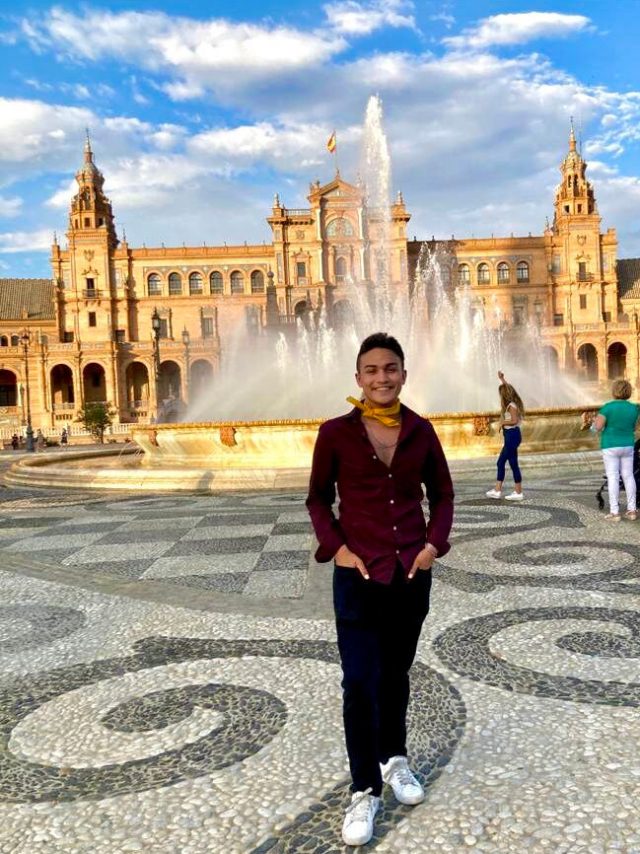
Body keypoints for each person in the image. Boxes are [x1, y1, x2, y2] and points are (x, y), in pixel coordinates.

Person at [306, 332, 454, 847]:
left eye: (390, 368)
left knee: (395, 675)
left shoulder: (421, 430)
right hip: (358, 576)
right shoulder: (335, 433)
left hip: (411, 574)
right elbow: (318, 499)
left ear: (404, 375)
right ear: (358, 378)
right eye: (371, 370)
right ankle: (364, 788)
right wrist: (338, 549)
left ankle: (395, 759)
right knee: (358, 682)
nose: (381, 378)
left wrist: (434, 545)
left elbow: (443, 492)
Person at [590, 379, 640, 521]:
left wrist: (591, 426)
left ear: (614, 391)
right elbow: (634, 427)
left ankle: (615, 512)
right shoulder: (634, 408)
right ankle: (631, 511)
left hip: (610, 445)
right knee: (628, 476)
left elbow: (598, 427)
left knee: (613, 477)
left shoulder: (608, 407)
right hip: (628, 444)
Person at [486, 370, 525, 501]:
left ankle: (497, 490)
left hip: (512, 436)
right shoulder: (511, 404)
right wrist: (502, 379)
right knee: (513, 464)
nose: (500, 396)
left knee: (500, 462)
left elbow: (514, 420)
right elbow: (508, 389)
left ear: (504, 395)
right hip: (512, 436)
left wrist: (502, 422)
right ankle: (518, 492)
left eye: (501, 394)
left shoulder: (511, 406)